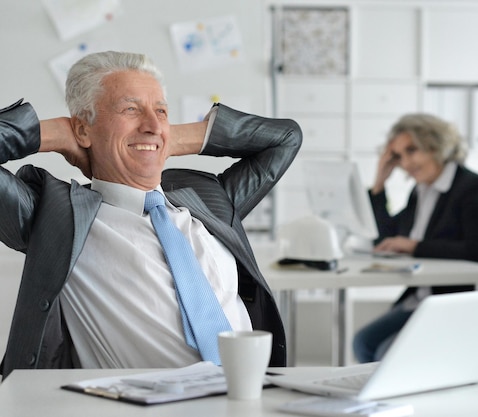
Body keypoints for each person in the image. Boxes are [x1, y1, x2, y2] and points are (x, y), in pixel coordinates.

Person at [0, 51, 302, 378]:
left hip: (252, 395)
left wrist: (165, 138)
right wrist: (55, 133)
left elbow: (285, 139)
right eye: (130, 109)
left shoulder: (208, 201)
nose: (152, 123)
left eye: (161, 110)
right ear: (83, 130)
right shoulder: (55, 219)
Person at [353, 113, 478, 363]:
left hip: (459, 302)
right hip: (423, 299)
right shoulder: (421, 190)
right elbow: (386, 238)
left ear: (435, 146)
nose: (407, 163)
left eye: (412, 151)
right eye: (399, 156)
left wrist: (414, 246)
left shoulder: (472, 187)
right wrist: (380, 182)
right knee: (363, 343)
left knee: (385, 353)